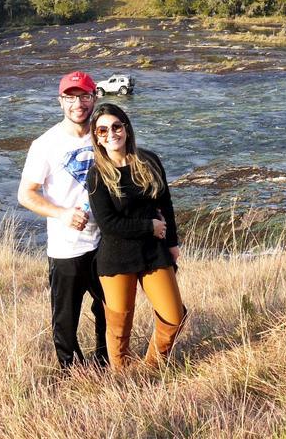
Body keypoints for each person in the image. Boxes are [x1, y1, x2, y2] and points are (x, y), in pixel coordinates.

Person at [86, 103, 188, 371]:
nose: (111, 134)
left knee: (174, 317)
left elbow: (166, 204)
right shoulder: (97, 175)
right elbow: (108, 223)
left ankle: (150, 367)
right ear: (96, 136)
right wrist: (149, 227)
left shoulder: (149, 160)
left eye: (116, 126)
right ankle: (122, 376)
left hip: (153, 253)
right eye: (103, 129)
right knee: (120, 328)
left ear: (126, 128)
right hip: (117, 257)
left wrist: (172, 243)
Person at [18, 71, 109, 369]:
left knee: (110, 309)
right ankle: (70, 373)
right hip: (66, 247)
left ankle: (105, 361)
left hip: (106, 241)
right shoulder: (45, 144)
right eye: (70, 97)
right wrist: (62, 214)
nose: (78, 104)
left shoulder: (105, 134)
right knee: (65, 317)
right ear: (60, 102)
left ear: (94, 97)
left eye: (84, 96)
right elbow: (26, 194)